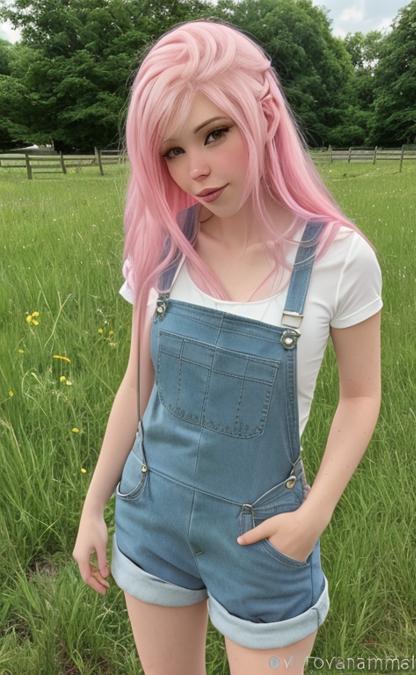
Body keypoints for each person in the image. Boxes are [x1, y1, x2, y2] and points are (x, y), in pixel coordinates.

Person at [72, 17, 383, 675]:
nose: (197, 170)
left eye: (215, 133)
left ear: (265, 113)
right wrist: (94, 505)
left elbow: (362, 394)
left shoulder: (339, 258)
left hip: (264, 538)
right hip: (151, 517)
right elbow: (137, 383)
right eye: (173, 151)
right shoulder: (160, 247)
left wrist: (314, 514)